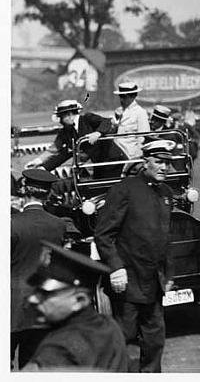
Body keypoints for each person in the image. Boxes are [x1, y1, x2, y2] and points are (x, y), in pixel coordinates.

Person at [94, 140, 176, 373]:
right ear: (144, 162)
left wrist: (169, 274)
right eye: (159, 162)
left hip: (153, 282)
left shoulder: (166, 193)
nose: (164, 167)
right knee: (122, 337)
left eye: (168, 163)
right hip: (128, 280)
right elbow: (103, 234)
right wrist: (115, 267)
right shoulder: (125, 189)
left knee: (155, 339)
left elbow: (165, 238)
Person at [21, 241, 130, 372]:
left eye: (45, 293)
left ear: (79, 300)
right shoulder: (109, 326)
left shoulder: (57, 351)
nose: (33, 299)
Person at [11, 169, 68, 370]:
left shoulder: (12, 224)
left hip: (11, 305)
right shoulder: (58, 225)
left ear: (24, 191)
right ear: (48, 193)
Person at [25, 100, 127, 180]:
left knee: (107, 190)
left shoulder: (88, 118)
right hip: (98, 164)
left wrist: (97, 133)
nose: (60, 121)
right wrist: (41, 166)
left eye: (61, 117)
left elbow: (106, 122)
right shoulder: (66, 132)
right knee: (97, 190)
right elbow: (62, 154)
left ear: (69, 115)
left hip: (112, 160)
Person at [112, 82, 150, 159]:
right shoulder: (119, 111)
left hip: (130, 156)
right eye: (120, 96)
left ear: (133, 96)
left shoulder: (140, 112)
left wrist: (137, 159)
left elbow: (143, 138)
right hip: (116, 154)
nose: (121, 99)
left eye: (124, 97)